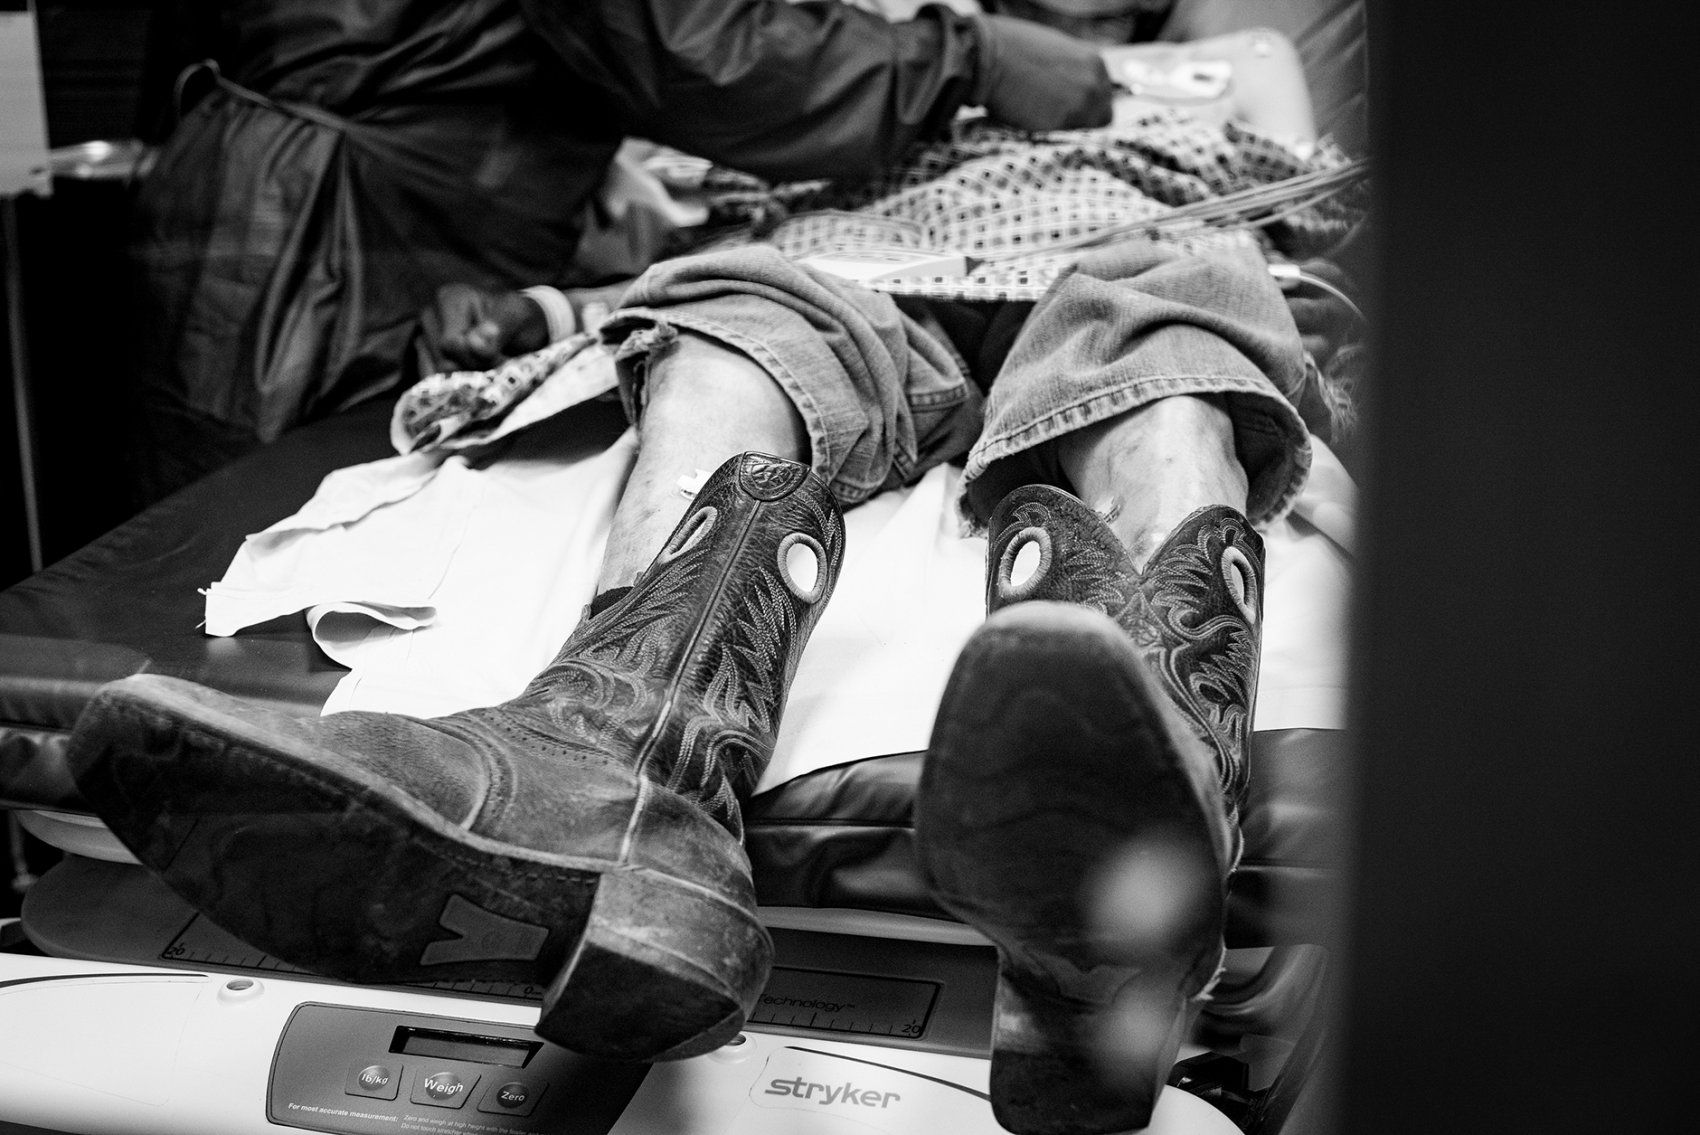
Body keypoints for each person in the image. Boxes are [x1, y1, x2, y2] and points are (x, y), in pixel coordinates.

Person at [70, 22, 1361, 1135]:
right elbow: (675, 179)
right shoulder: (846, 115)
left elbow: (1346, 217)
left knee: (1177, 329)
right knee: (734, 320)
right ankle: (623, 775)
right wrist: (551, 313)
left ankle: (1140, 833)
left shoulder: (1186, 126)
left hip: (1129, 231)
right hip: (850, 255)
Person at [126, 0, 1116, 504]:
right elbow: (705, 53)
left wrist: (563, 144)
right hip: (334, 239)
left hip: (261, 192)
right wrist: (962, 54)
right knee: (273, 562)